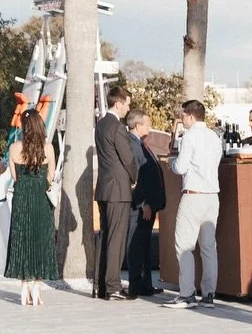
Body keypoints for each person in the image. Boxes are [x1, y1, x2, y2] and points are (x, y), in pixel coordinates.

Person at [4, 107, 58, 306]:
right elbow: (50, 176)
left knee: (22, 239)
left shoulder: (13, 148)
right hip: (40, 199)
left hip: (21, 199)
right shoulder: (48, 148)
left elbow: (14, 176)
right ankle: (36, 287)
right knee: (40, 240)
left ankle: (24, 286)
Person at [170, 99, 221, 308]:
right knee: (208, 247)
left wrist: (171, 163)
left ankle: (187, 294)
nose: (181, 118)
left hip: (193, 194)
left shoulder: (189, 137)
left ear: (191, 116)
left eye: (183, 115)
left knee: (184, 245)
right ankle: (209, 294)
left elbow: (181, 167)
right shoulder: (214, 137)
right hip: (212, 195)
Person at [94, 84, 137, 299]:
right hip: (118, 190)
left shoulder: (101, 125)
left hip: (104, 188)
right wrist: (134, 178)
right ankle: (113, 287)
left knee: (105, 236)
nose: (128, 109)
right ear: (118, 104)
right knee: (116, 238)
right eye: (127, 104)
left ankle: (99, 285)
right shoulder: (118, 127)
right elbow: (127, 158)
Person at [126, 109, 165, 296]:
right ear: (137, 125)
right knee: (137, 245)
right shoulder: (133, 145)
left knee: (145, 245)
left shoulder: (140, 143)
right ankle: (136, 284)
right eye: (147, 123)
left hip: (149, 203)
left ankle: (146, 284)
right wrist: (143, 204)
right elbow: (136, 177)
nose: (149, 126)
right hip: (141, 206)